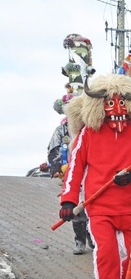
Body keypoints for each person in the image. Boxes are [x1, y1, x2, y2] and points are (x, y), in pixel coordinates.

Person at [59, 73, 131, 279]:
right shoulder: (89, 134)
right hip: (100, 209)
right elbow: (75, 168)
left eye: (121, 101)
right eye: (110, 102)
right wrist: (68, 200)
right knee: (106, 254)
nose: (117, 108)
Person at [49, 92, 93, 255]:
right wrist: (56, 165)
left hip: (90, 173)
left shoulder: (91, 127)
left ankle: (93, 238)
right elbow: (54, 148)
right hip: (70, 172)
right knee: (75, 209)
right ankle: (80, 240)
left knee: (91, 207)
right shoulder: (62, 130)